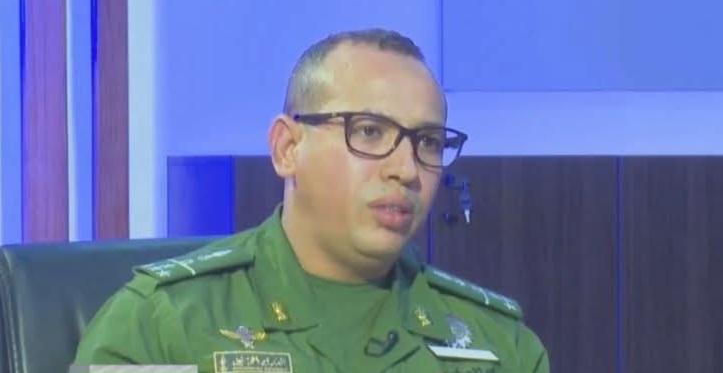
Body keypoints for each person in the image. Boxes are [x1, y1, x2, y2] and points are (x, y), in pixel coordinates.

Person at [74, 28, 549, 373]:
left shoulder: (496, 345)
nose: (406, 169)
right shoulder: (166, 322)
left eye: (428, 142)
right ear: (287, 148)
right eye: (369, 131)